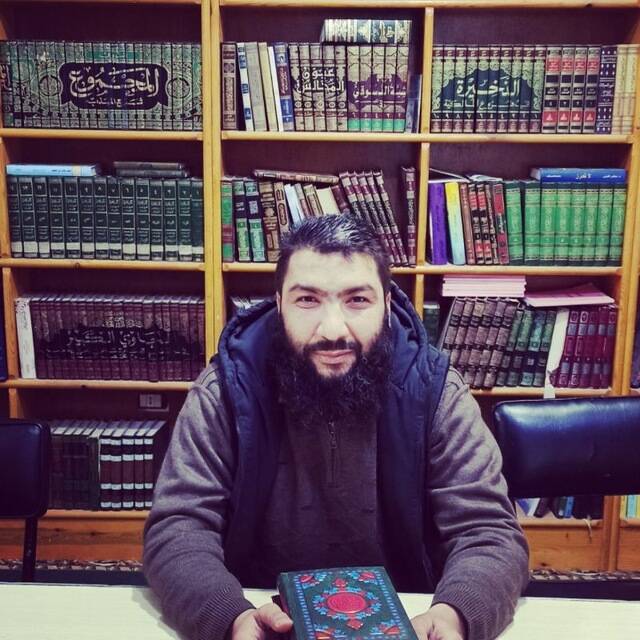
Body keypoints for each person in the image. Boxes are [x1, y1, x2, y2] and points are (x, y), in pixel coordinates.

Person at [143, 214, 529, 640]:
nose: (332, 330)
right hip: (263, 620)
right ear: (279, 304)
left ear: (386, 304)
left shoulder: (436, 392)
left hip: (409, 623)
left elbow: (487, 532)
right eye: (307, 300)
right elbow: (179, 528)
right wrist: (230, 617)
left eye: (357, 300)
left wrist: (455, 614)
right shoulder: (226, 392)